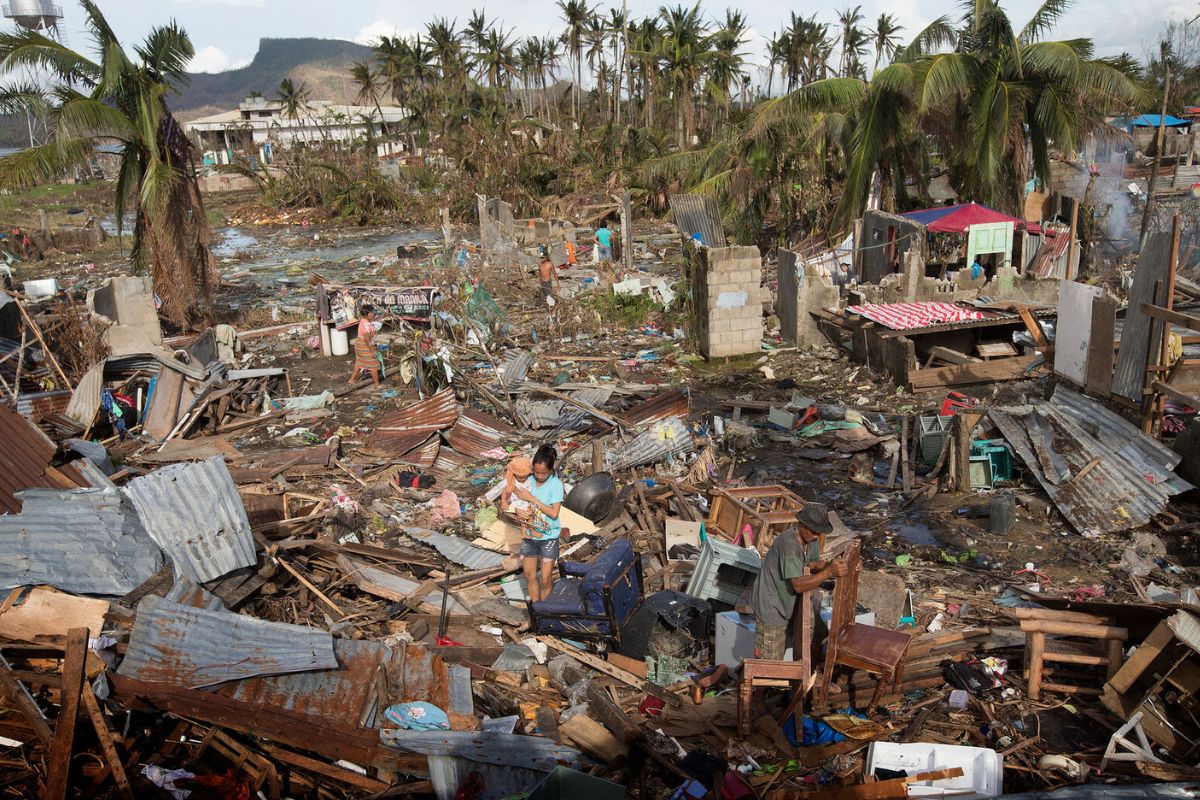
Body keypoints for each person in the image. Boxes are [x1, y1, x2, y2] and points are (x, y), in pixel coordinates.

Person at [749, 502, 847, 660]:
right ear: (801, 524)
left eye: (819, 532)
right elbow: (798, 585)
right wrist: (829, 572)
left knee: (818, 635)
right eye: (813, 531)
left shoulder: (811, 539)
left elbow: (812, 564)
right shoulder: (789, 546)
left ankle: (808, 674)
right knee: (770, 663)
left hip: (791, 602)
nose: (816, 536)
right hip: (772, 605)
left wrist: (831, 565)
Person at [515, 445, 565, 603]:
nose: (539, 476)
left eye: (543, 473)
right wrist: (518, 512)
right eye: (536, 472)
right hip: (529, 536)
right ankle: (536, 611)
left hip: (549, 537)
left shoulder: (556, 485)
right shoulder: (527, 481)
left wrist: (532, 499)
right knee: (529, 575)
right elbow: (515, 502)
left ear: (550, 469)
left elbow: (553, 513)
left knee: (545, 580)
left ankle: (546, 612)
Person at [349, 305, 382, 387]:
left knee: (360, 363)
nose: (373, 314)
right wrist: (372, 350)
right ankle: (377, 384)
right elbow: (367, 339)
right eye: (371, 313)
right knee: (374, 364)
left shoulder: (365, 321)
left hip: (360, 344)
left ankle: (351, 380)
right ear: (367, 313)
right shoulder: (366, 324)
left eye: (373, 312)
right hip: (364, 345)